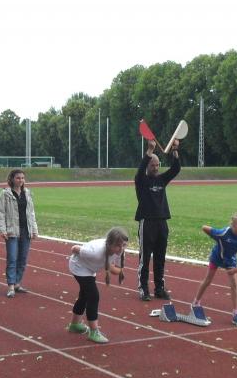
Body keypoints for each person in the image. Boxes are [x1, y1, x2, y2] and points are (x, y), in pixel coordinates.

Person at [134, 137, 180, 301]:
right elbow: (140, 170)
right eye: (152, 165)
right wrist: (150, 151)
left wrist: (175, 150)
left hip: (162, 222)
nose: (155, 168)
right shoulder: (141, 181)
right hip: (147, 222)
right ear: (147, 165)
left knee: (160, 258)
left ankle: (159, 288)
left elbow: (176, 169)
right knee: (145, 258)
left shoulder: (161, 180)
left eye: (157, 165)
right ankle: (143, 289)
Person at [192, 212, 237, 327]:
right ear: (233, 225)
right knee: (208, 280)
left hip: (230, 260)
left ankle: (236, 315)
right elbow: (204, 227)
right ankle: (195, 303)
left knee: (234, 284)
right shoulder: (223, 233)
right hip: (216, 257)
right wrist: (215, 238)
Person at [67, 227, 128, 344]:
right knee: (93, 296)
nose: (121, 249)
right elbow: (74, 248)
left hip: (90, 268)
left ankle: (74, 325)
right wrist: (94, 258)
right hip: (79, 266)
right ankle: (94, 331)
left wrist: (111, 267)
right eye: (118, 246)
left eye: (124, 245)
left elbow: (115, 269)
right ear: (110, 244)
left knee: (85, 295)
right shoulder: (95, 252)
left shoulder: (119, 252)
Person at [0, 169, 39, 298]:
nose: (21, 180)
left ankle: (17, 283)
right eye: (18, 178)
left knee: (23, 259)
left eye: (22, 178)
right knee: (12, 258)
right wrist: (3, 229)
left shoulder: (27, 193)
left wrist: (34, 229)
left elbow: (31, 212)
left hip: (26, 230)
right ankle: (10, 285)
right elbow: (1, 212)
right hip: (12, 231)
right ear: (12, 179)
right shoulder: (5, 193)